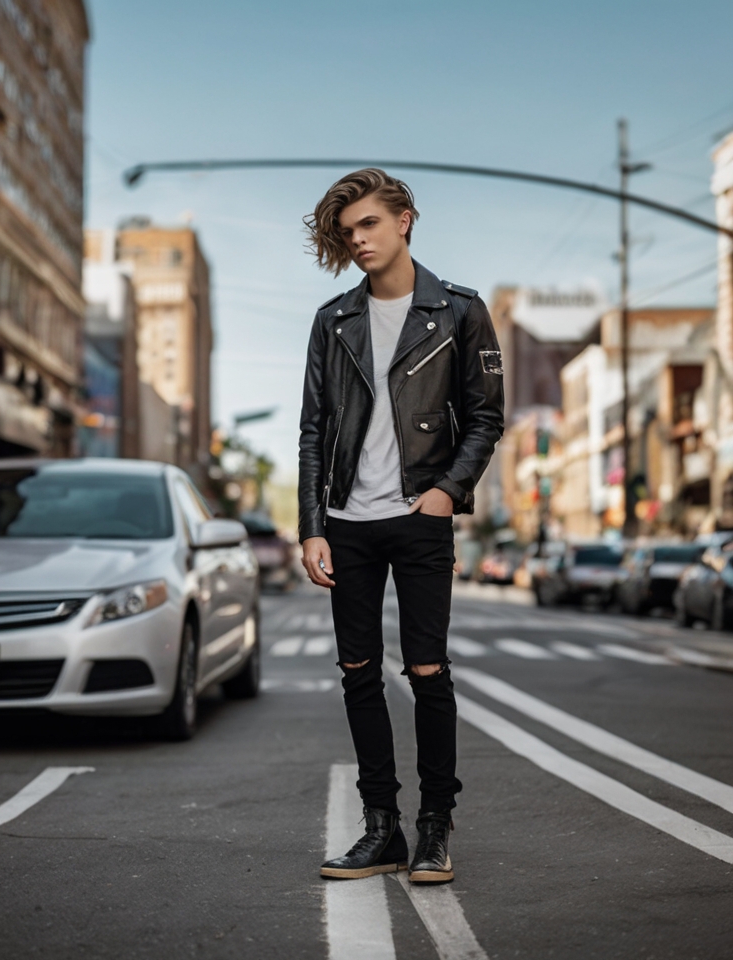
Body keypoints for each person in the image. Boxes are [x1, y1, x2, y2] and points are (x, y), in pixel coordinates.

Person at [297, 169, 504, 884]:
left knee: (426, 671)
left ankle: (434, 829)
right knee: (358, 674)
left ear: (405, 220)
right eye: (348, 231)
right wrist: (311, 525)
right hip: (348, 521)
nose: (358, 240)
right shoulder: (333, 320)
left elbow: (486, 416)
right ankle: (380, 829)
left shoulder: (459, 311)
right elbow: (313, 430)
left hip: (421, 516)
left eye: (369, 226)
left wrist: (450, 490)